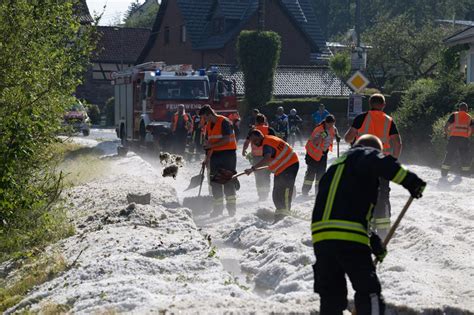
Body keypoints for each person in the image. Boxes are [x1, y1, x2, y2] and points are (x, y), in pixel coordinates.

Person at [312, 134, 426, 315]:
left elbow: (348, 212)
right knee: (369, 291)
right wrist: (412, 182)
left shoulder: (335, 167)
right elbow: (383, 162)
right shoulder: (365, 153)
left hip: (321, 238)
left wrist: (374, 243)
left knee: (331, 297)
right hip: (348, 237)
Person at [343, 93, 402, 240]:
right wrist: (393, 159)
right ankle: (383, 231)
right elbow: (397, 143)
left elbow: (348, 137)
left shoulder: (361, 118)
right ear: (383, 105)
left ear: (369, 104)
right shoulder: (389, 121)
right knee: (382, 195)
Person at [245, 130, 299, 222]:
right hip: (282, 168)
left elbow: (266, 158)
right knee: (277, 193)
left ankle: (285, 216)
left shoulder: (267, 144)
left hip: (290, 165)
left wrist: (253, 168)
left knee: (285, 191)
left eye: (255, 140)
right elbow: (273, 158)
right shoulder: (268, 140)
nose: (254, 143)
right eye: (252, 142)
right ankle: (279, 214)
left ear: (260, 136)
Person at [200, 104, 238, 217]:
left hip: (228, 154)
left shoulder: (224, 121)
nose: (204, 120)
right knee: (215, 182)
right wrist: (206, 159)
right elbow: (208, 144)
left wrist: (212, 146)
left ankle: (231, 210)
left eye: (204, 117)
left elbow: (226, 139)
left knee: (227, 181)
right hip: (215, 155)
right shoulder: (208, 126)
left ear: (209, 114)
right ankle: (218, 210)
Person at [302, 115, 340, 196]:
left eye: (332, 124)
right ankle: (305, 191)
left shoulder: (333, 128)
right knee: (311, 173)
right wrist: (322, 135)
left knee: (321, 173)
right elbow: (314, 141)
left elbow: (335, 131)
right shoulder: (318, 129)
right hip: (312, 154)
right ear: (326, 122)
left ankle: (318, 191)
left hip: (323, 154)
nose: (331, 126)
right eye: (329, 125)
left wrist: (337, 136)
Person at [242, 114, 276, 201]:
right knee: (266, 175)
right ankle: (266, 194)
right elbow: (275, 142)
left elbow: (246, 142)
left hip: (256, 156)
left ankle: (261, 195)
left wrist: (244, 150)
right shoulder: (269, 129)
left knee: (258, 176)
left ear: (256, 121)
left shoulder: (253, 130)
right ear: (264, 121)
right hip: (267, 156)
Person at [441, 102, 473, 177]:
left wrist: (446, 134)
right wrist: (467, 135)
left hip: (454, 138)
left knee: (449, 154)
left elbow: (446, 126)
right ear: (467, 109)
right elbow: (472, 129)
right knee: (464, 156)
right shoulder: (469, 117)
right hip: (464, 139)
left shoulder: (454, 115)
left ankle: (444, 173)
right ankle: (465, 174)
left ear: (459, 108)